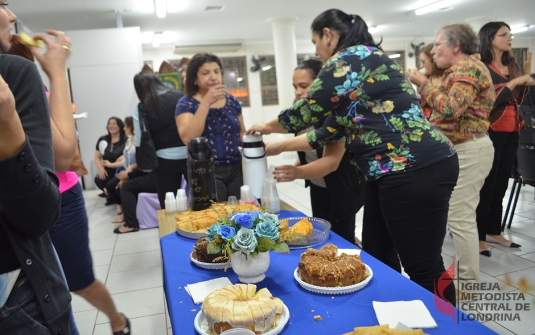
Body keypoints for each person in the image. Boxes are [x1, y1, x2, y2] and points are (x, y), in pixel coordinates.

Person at [249, 9, 458, 304]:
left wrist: (267, 127)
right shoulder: (361, 71)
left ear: (327, 35)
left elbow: (307, 111)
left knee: (424, 266)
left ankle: (455, 326)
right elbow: (328, 131)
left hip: (416, 167)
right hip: (389, 172)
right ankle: (396, 311)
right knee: (377, 252)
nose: (318, 53)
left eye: (315, 43)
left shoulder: (352, 58)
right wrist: (279, 146)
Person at [6, 32, 131, 334]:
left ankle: (117, 320)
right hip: (18, 206)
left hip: (59, 197)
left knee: (77, 280)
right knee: (44, 287)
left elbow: (65, 155)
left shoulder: (31, 92)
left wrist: (57, 73)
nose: (10, 16)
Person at [0, 4, 74, 333]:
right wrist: (57, 73)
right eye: (2, 5)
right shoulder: (17, 77)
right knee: (80, 277)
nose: (12, 16)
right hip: (46, 199)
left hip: (46, 195)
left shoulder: (17, 78)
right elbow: (64, 152)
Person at [407, 23, 495, 288]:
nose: (433, 51)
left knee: (460, 217)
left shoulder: (469, 68)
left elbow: (450, 108)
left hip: (470, 148)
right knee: (453, 215)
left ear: (456, 45)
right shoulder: (455, 71)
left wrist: (422, 84)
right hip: (458, 148)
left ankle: (468, 287)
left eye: (437, 44)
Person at [270, 59, 365, 244]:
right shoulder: (301, 111)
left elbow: (331, 162)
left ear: (321, 85)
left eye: (303, 86)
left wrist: (297, 172)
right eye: (295, 86)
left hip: (342, 186)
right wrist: (294, 167)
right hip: (318, 184)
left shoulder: (337, 112)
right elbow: (309, 151)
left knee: (341, 236)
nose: (298, 92)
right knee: (320, 230)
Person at [476, 22, 535, 255]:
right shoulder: (481, 66)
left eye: (510, 34)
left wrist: (524, 76)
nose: (509, 38)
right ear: (490, 38)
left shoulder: (512, 64)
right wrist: (516, 81)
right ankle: (479, 235)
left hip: (512, 129)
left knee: (502, 182)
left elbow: (518, 97)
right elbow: (491, 99)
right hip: (489, 130)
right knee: (487, 185)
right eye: (504, 34)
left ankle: (493, 230)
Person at [175, 53, 246, 201]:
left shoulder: (232, 101)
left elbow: (242, 132)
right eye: (206, 73)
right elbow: (188, 138)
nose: (213, 77)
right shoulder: (186, 103)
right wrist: (206, 102)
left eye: (216, 71)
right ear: (194, 78)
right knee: (216, 217)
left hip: (237, 168)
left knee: (241, 213)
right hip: (207, 171)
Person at [133, 73, 186, 208]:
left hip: (163, 160)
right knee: (199, 198)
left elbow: (139, 139)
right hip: (189, 155)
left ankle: (171, 228)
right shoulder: (180, 97)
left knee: (168, 204)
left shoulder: (142, 108)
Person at [105, 116, 137, 222]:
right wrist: (112, 164)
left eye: (125, 126)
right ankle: (122, 208)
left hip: (135, 170)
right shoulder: (129, 140)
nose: (123, 129)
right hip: (126, 169)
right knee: (110, 185)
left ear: (130, 127)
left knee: (119, 187)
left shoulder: (138, 140)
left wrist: (127, 172)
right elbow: (126, 159)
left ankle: (126, 214)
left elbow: (141, 161)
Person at [94, 117, 127, 206]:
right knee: (99, 179)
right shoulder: (103, 139)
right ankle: (111, 195)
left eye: (114, 123)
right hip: (108, 168)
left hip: (121, 168)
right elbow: (97, 157)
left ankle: (115, 198)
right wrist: (101, 169)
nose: (111, 126)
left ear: (120, 126)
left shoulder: (126, 139)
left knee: (113, 184)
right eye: (109, 123)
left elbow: (129, 154)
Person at [418, 43, 445, 118]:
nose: (421, 66)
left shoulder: (449, 77)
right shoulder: (426, 78)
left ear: (433, 59)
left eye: (423, 62)